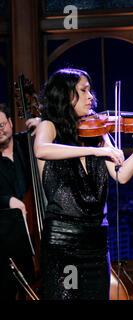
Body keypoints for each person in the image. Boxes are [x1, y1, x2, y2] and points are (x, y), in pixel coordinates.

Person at [33, 68, 133, 300]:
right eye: (84, 90)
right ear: (66, 95)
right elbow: (41, 149)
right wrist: (95, 150)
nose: (91, 97)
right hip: (64, 244)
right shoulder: (49, 127)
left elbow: (121, 175)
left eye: (90, 91)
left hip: (97, 245)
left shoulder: (99, 132)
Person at [0, 103, 40, 300]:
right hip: (7, 238)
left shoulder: (28, 142)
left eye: (1, 125)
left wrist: (43, 124)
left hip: (37, 231)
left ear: (10, 123)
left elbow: (52, 139)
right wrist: (7, 200)